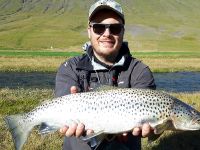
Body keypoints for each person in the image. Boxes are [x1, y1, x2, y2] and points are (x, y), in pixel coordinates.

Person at [55, 0, 156, 149]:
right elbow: (60, 108)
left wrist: (153, 130)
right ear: (89, 31)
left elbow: (150, 126)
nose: (107, 34)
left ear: (123, 31)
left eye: (114, 28)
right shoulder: (70, 67)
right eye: (99, 27)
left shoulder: (140, 71)